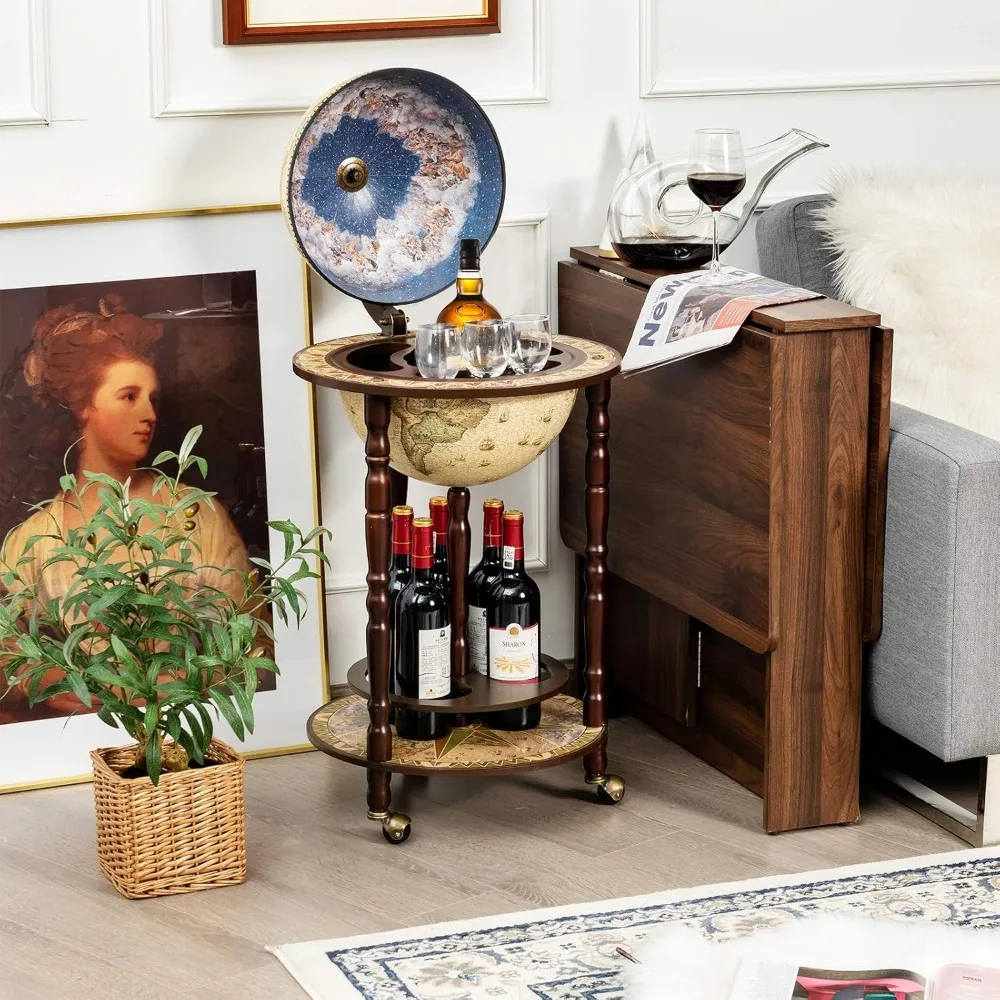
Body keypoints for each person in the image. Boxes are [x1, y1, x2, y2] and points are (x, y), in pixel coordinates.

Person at [0, 294, 252, 719]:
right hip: (81, 733)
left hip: (184, 723)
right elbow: (7, 651)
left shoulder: (197, 515)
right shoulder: (34, 538)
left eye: (153, 398)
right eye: (129, 396)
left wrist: (182, 684)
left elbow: (251, 639)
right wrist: (44, 681)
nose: (149, 413)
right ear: (83, 405)